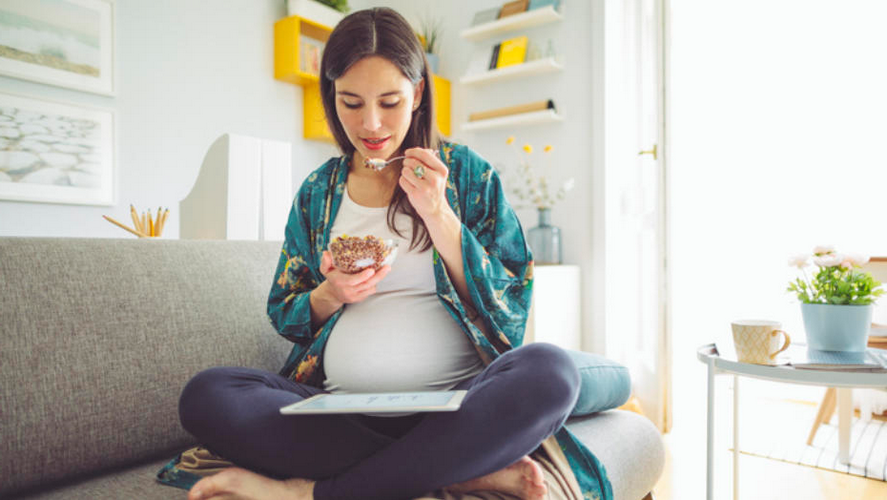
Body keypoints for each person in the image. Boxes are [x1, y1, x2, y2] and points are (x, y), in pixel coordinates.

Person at [176, 7, 611, 500]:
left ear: (419, 93)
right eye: (351, 103)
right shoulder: (318, 192)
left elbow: (511, 311)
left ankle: (309, 493)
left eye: (390, 101)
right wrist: (328, 293)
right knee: (208, 395)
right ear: (331, 96)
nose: (372, 123)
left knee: (549, 373)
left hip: (456, 410)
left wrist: (440, 216)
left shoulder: (467, 176)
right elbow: (286, 313)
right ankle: (454, 469)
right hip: (339, 412)